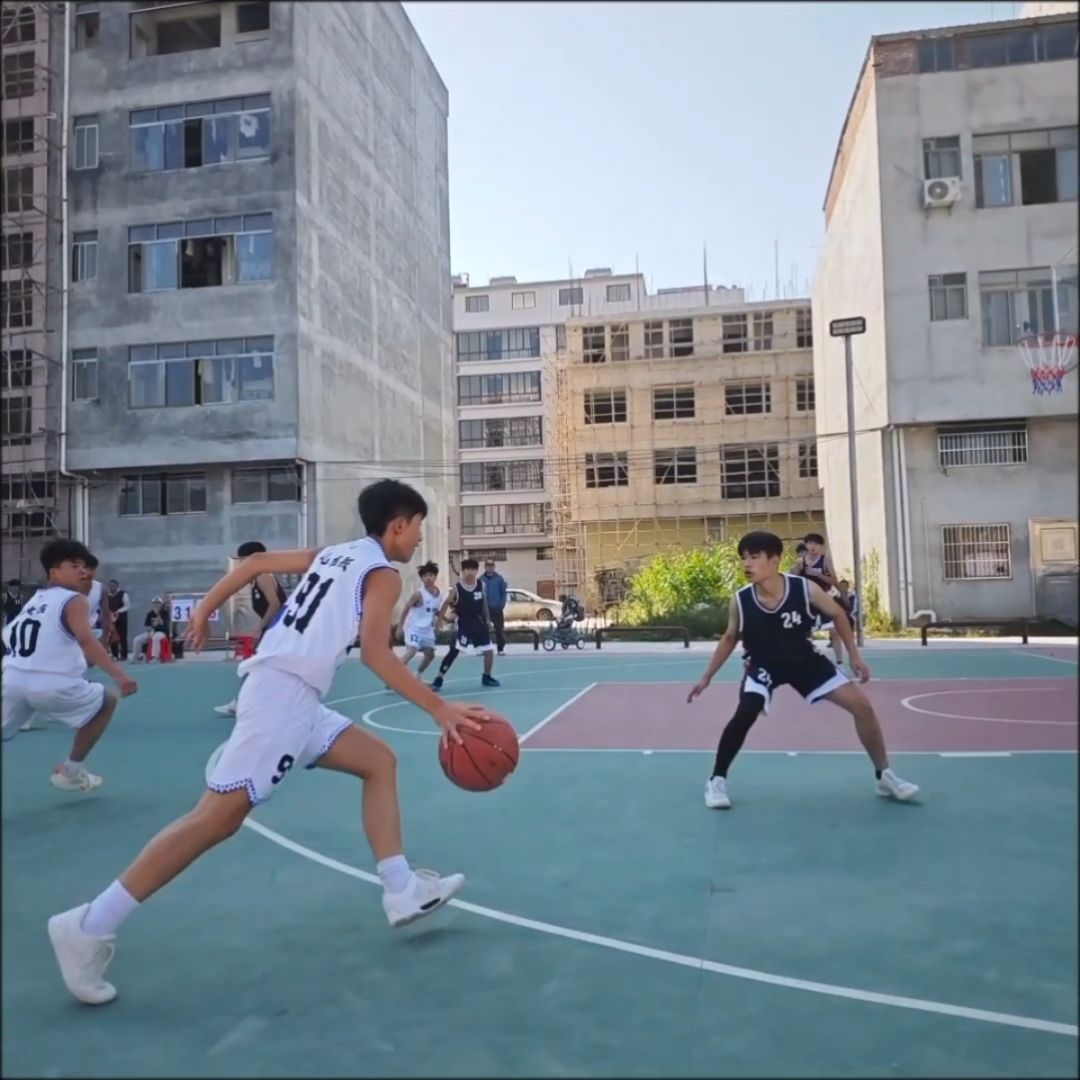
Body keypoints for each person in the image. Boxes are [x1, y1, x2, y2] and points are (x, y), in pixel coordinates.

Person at [47, 479, 488, 1006]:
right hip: (284, 697)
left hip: (291, 693)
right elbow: (375, 653)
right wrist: (439, 709)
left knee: (378, 761)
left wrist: (206, 610)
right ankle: (90, 924)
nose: (418, 538)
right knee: (215, 819)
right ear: (398, 525)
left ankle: (401, 889)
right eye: (418, 528)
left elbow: (254, 564)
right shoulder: (383, 575)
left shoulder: (336, 553)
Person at [687, 530, 918, 811]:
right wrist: (707, 677)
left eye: (754, 557)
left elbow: (838, 614)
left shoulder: (804, 589)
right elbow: (729, 637)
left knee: (862, 705)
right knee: (746, 712)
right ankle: (717, 779)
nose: (747, 563)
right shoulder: (741, 600)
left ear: (774, 560)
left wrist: (854, 656)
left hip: (804, 661)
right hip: (763, 664)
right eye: (744, 558)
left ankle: (884, 775)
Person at [1, 539, 138, 791]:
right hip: (51, 685)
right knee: (106, 701)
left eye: (84, 566)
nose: (83, 571)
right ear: (54, 572)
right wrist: (120, 676)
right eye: (75, 566)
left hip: (12, 681)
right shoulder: (75, 600)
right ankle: (71, 771)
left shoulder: (35, 600)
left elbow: (10, 634)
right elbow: (87, 640)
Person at [214, 540, 288, 717]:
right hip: (275, 629)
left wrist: (259, 629)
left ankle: (240, 703)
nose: (241, 564)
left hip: (278, 629)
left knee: (257, 667)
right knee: (264, 668)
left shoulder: (263, 576)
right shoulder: (257, 578)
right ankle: (250, 702)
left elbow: (274, 604)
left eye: (243, 560)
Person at [431, 558, 499, 690]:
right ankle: (439, 678)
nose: (470, 572)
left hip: (478, 621)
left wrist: (487, 619)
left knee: (489, 649)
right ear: (463, 571)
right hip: (463, 623)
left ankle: (487, 676)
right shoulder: (457, 588)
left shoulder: (481, 584)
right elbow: (446, 603)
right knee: (454, 651)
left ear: (476, 571)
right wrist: (440, 620)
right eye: (468, 569)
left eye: (473, 569)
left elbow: (484, 603)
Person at [795, 532, 845, 666]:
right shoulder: (800, 562)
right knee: (803, 634)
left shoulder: (825, 560)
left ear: (821, 546)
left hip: (824, 599)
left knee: (834, 631)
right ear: (806, 546)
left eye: (815, 544)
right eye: (809, 543)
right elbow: (793, 580)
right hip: (807, 601)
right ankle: (804, 662)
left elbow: (834, 580)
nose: (812, 546)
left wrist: (818, 574)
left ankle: (840, 663)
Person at [393, 561, 443, 680]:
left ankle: (417, 675)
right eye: (425, 576)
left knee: (430, 654)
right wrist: (400, 627)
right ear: (422, 578)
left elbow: (434, 610)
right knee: (412, 651)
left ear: (435, 576)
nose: (428, 578)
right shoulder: (418, 594)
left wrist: (444, 619)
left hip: (427, 629)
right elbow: (406, 609)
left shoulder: (439, 594)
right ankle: (392, 677)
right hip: (413, 627)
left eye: (430, 575)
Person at [481, 559, 508, 655]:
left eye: (491, 566)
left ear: (494, 567)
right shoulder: (481, 579)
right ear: (485, 567)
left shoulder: (499, 579)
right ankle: (484, 648)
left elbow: (503, 593)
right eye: (488, 566)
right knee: (483, 629)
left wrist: (501, 605)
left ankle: (500, 649)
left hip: (497, 608)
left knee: (499, 629)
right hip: (484, 609)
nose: (490, 568)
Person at [131, 597, 170, 662]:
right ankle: (135, 657)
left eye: (158, 603)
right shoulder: (150, 614)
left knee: (156, 638)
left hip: (162, 632)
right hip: (152, 632)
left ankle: (155, 658)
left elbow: (163, 623)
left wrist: (158, 615)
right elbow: (147, 625)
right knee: (137, 640)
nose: (156, 604)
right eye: (154, 603)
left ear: (161, 604)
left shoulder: (165, 613)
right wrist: (151, 630)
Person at [105, 579, 130, 661]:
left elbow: (127, 605)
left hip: (121, 618)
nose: (112, 588)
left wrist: (118, 611)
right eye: (110, 586)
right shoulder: (107, 595)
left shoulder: (123, 594)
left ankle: (124, 655)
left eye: (114, 586)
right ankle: (115, 655)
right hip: (111, 618)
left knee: (123, 636)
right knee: (112, 636)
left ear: (117, 586)